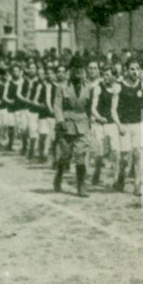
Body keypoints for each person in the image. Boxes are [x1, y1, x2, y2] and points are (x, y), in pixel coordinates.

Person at [52, 62, 94, 198]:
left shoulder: (88, 87)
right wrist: (60, 121)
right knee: (66, 155)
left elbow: (90, 106)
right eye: (75, 70)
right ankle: (59, 174)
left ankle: (81, 186)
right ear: (70, 71)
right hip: (67, 123)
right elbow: (57, 106)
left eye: (81, 70)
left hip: (82, 123)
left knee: (80, 155)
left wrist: (90, 121)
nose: (78, 73)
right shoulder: (62, 87)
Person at [110, 60, 143, 193]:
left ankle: (138, 184)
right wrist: (119, 125)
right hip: (124, 125)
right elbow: (113, 109)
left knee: (138, 154)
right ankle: (120, 177)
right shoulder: (119, 86)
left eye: (137, 69)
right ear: (126, 70)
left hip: (138, 124)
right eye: (132, 69)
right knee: (125, 157)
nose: (135, 72)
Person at [90, 65, 120, 188]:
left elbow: (115, 108)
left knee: (115, 151)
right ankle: (96, 173)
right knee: (99, 152)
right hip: (99, 123)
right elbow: (92, 107)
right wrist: (99, 117)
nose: (105, 77)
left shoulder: (117, 87)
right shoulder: (98, 88)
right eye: (104, 74)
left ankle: (116, 178)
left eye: (108, 74)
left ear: (113, 76)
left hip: (112, 123)